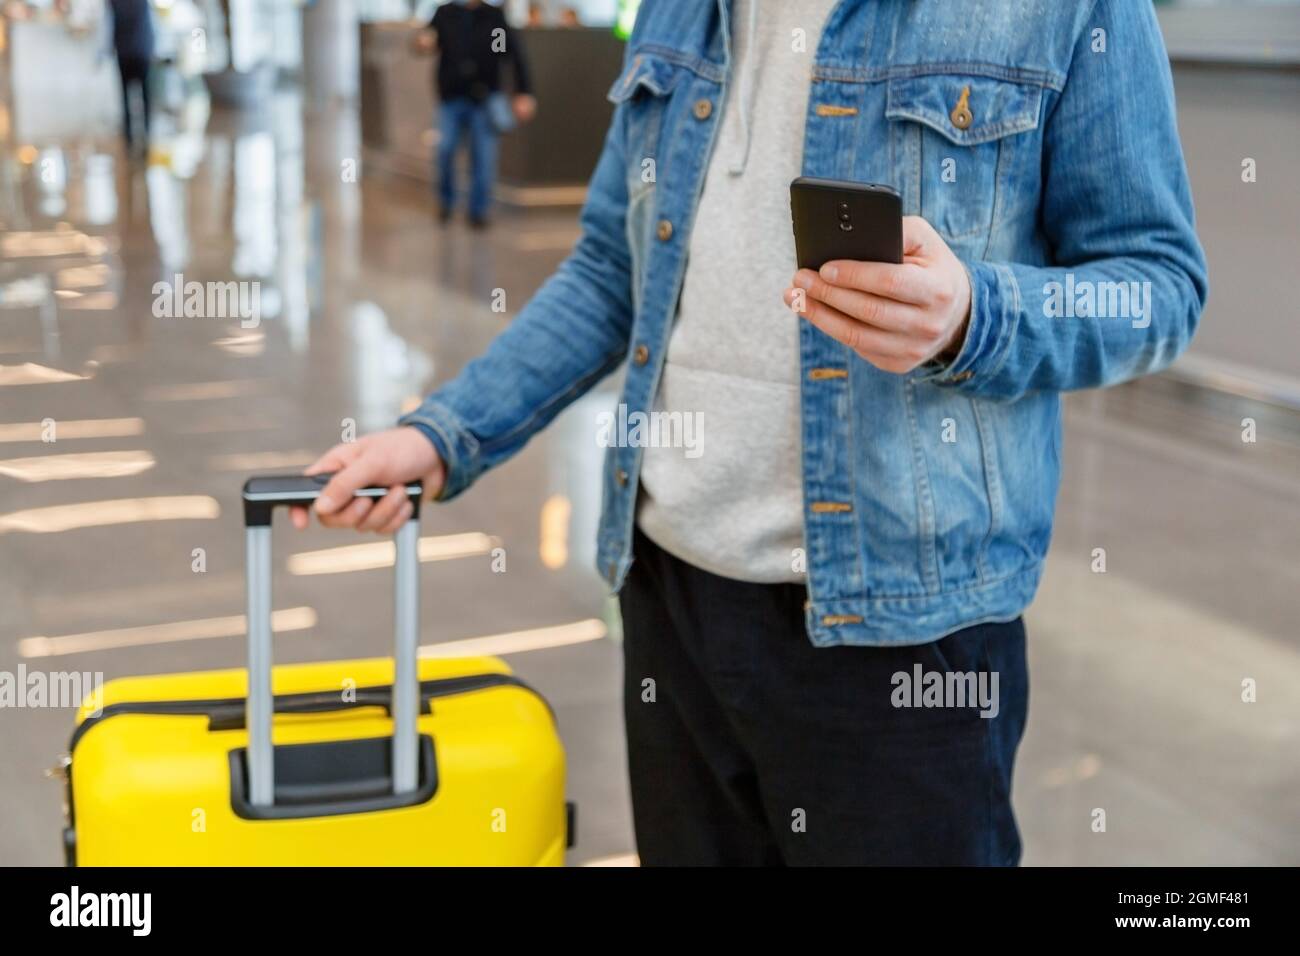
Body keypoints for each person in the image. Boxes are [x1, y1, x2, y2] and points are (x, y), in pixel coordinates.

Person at [293, 0, 1207, 865]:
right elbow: (616, 267)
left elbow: (1156, 282)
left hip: (901, 640)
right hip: (670, 602)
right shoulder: (679, 11)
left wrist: (976, 314)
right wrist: (447, 433)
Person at [414, 0, 537, 228]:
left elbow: (508, 53)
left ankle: (478, 210)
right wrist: (423, 43)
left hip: (484, 97)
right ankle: (446, 202)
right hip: (452, 97)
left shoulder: (492, 17)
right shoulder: (445, 13)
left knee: (483, 157)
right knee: (445, 149)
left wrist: (523, 91)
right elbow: (427, 42)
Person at [107, 0, 155, 152]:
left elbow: (109, 25)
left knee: (128, 97)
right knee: (145, 96)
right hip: (141, 50)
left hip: (126, 51)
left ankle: (130, 136)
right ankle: (146, 131)